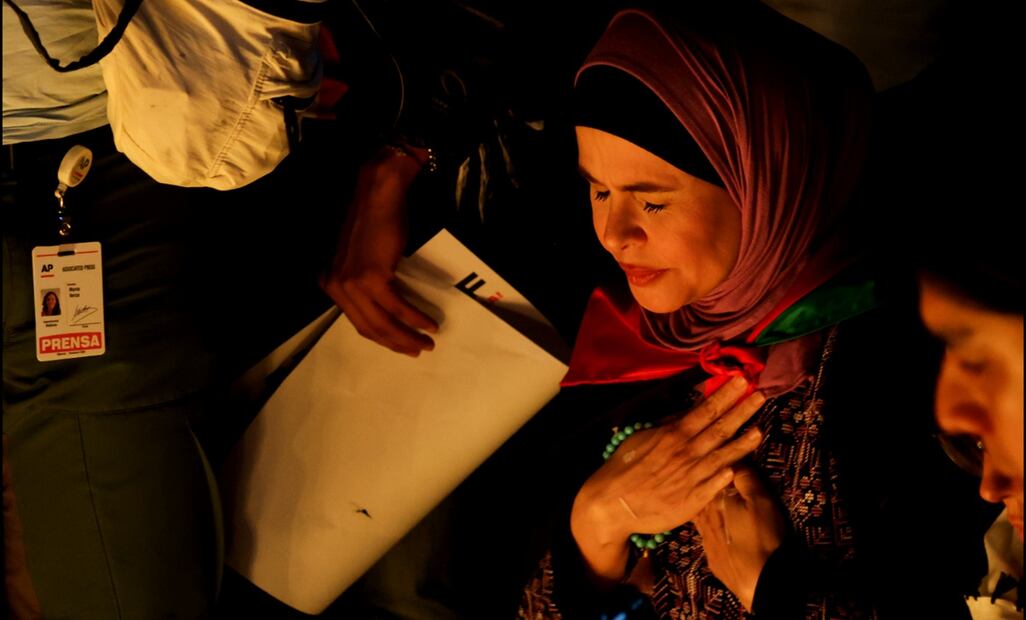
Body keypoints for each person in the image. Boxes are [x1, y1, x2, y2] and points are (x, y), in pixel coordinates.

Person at [519, 4, 991, 619]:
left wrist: (775, 593)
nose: (613, 234)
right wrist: (596, 527)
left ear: (764, 180)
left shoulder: (918, 364)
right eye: (598, 190)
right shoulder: (641, 351)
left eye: (652, 202)